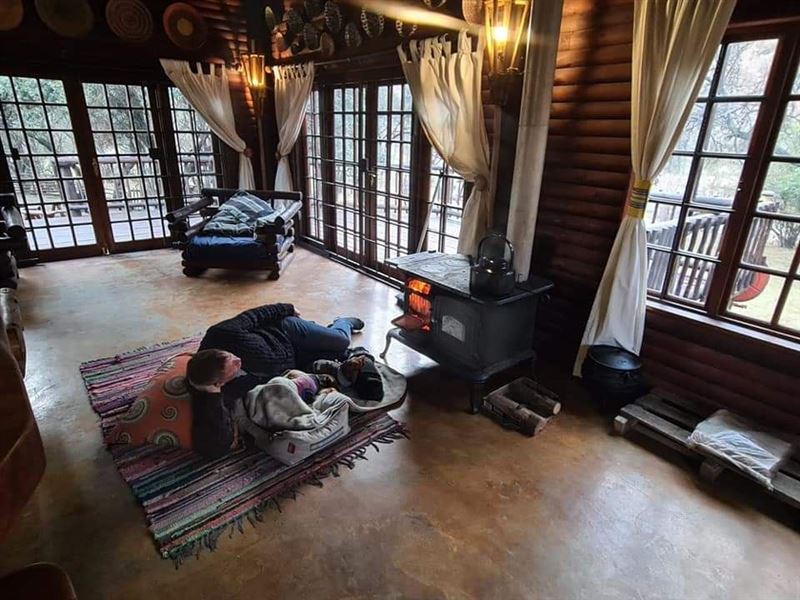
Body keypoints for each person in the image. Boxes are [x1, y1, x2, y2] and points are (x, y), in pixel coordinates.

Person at [185, 302, 368, 458]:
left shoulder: (219, 334)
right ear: (219, 384)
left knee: (341, 342)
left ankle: (342, 322)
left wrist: (288, 309)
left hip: (286, 331)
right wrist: (213, 395)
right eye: (233, 365)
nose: (238, 360)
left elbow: (254, 316)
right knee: (339, 358)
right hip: (293, 363)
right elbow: (215, 445)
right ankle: (320, 336)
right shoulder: (218, 391)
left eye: (230, 355)